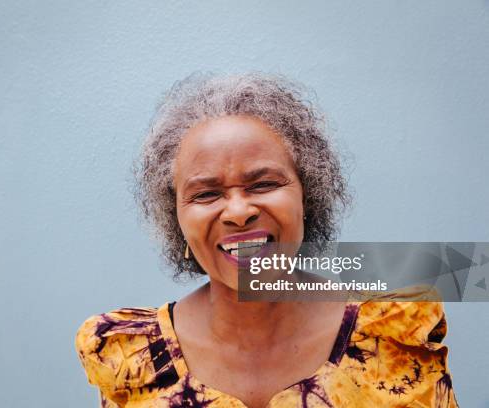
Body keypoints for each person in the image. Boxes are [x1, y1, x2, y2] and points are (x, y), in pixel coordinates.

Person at [74, 72, 458, 407]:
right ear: (176, 220)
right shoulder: (132, 359)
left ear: (307, 196)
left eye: (264, 184)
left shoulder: (391, 340)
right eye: (206, 194)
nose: (239, 212)